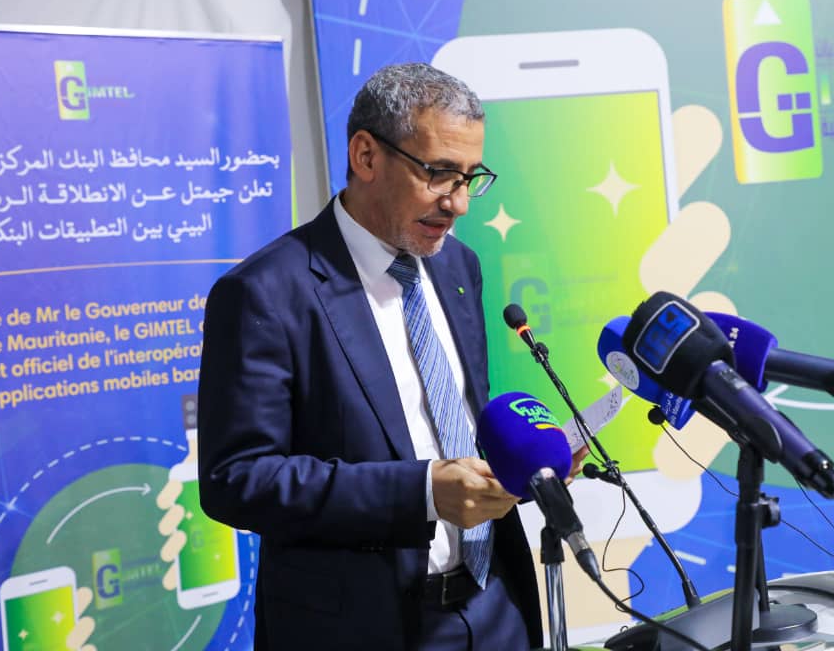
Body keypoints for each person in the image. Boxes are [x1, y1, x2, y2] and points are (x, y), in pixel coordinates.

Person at [197, 63, 579, 650]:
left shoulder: (458, 266)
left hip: (496, 609)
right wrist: (421, 492)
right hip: (364, 626)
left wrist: (523, 461)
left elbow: (455, 421)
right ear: (366, 156)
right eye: (440, 174)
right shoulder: (265, 293)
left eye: (471, 178)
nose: (459, 203)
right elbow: (237, 479)